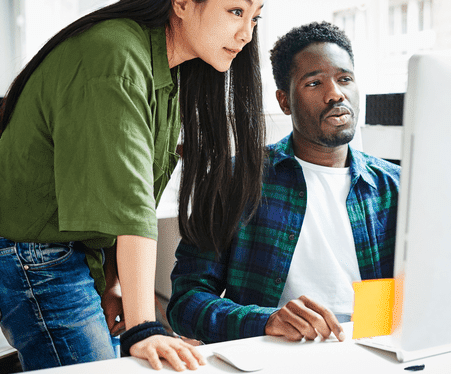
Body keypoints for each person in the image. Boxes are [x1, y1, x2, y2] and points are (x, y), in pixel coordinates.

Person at [0, 0, 268, 372]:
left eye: (255, 18)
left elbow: (118, 194)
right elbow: (131, 205)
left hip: (70, 255)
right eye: (235, 11)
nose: (246, 33)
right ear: (183, 1)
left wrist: (115, 283)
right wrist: (143, 325)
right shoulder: (114, 56)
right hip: (36, 261)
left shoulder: (169, 72)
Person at [167, 21, 400, 344]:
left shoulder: (395, 188)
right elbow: (186, 302)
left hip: (371, 351)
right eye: (314, 83)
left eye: (345, 79)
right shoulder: (235, 180)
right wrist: (265, 321)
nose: (335, 94)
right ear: (284, 101)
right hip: (275, 354)